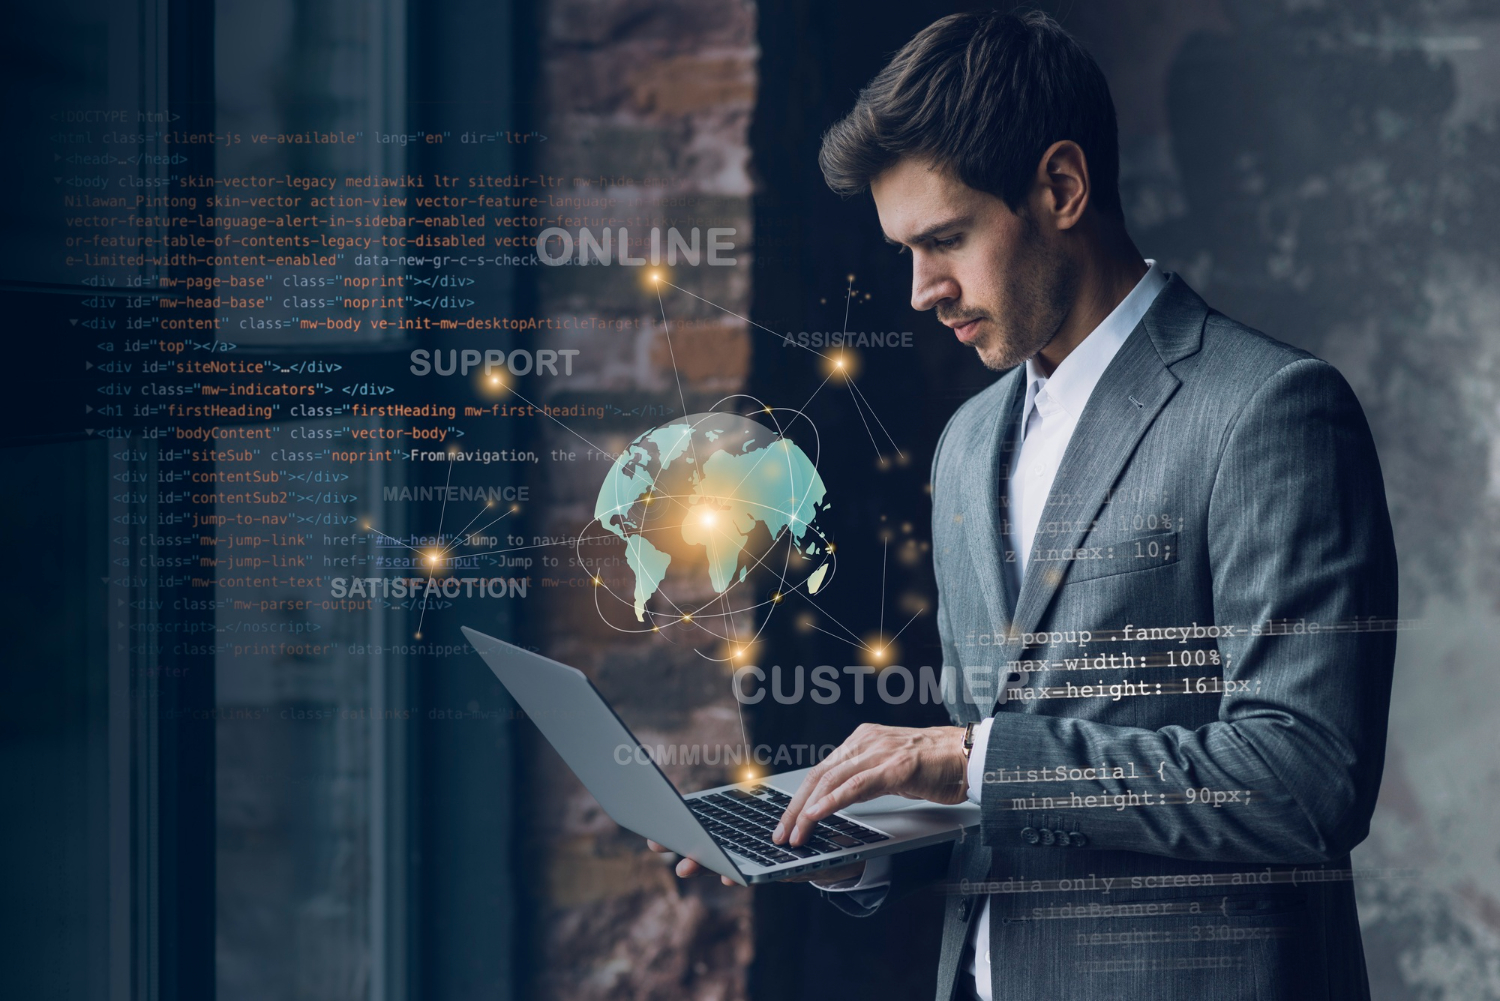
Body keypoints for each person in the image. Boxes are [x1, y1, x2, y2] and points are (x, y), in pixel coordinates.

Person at [652, 9, 1398, 999]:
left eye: (945, 239)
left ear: (1061, 188)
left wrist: (971, 755)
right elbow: (992, 794)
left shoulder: (1270, 410)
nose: (921, 289)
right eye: (905, 250)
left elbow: (1305, 778)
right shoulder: (968, 443)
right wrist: (831, 836)